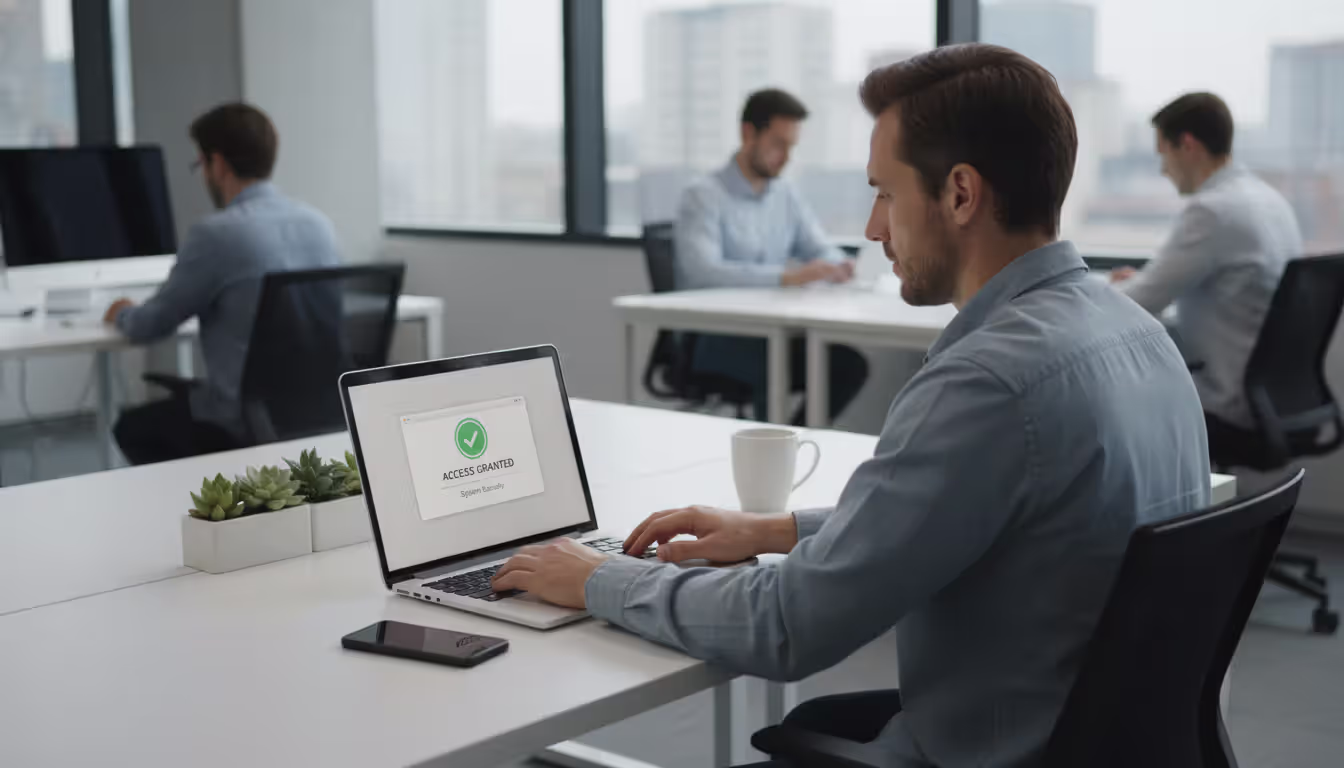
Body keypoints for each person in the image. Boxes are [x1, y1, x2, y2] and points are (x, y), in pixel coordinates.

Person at [491, 44, 1211, 768]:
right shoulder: (1138, 334)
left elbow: (787, 627)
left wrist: (598, 578)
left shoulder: (989, 380)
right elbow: (985, 509)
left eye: (886, 194)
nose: (873, 228)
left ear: (960, 195)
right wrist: (775, 529)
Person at [105, 102, 342, 465]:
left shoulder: (215, 236)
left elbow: (150, 326)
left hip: (244, 423)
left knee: (134, 427)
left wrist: (122, 313)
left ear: (217, 164)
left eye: (200, 164)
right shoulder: (319, 225)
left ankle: (204, 513)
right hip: (318, 415)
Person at [1111, 92, 1303, 435]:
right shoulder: (1267, 199)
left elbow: (1139, 301)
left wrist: (1112, 290)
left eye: (1163, 154)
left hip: (1223, 399)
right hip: (1277, 395)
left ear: (1187, 145)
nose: (1163, 170)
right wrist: (1144, 281)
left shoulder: (1214, 211)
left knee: (1108, 401)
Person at [675, 88, 868, 423]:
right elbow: (702, 272)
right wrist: (784, 277)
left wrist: (838, 265)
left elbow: (816, 246)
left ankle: (795, 444)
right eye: (778, 144)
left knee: (847, 365)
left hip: (773, 331)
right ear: (748, 133)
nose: (786, 157)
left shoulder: (784, 194)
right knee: (774, 363)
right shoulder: (703, 196)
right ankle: (775, 456)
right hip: (718, 338)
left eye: (791, 147)